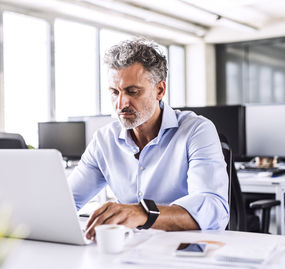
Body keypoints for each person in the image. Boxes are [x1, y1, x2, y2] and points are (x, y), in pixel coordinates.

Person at [68, 39, 229, 240]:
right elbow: (65, 202)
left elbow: (214, 209)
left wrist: (144, 213)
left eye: (132, 92)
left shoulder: (196, 130)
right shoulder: (104, 140)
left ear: (160, 90)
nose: (121, 103)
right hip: (129, 250)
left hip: (185, 250)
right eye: (114, 92)